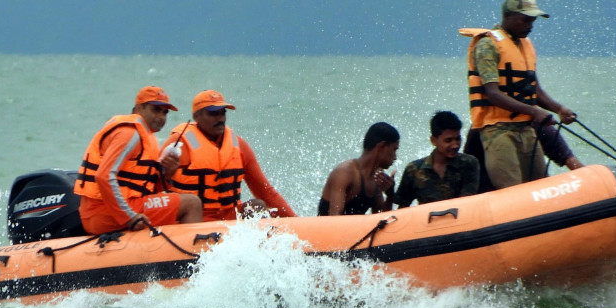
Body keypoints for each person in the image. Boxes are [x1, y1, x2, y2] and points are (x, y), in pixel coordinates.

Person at [465, 0, 579, 190]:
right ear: (508, 16)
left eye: (533, 20)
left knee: (540, 187)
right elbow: (492, 93)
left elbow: (534, 89)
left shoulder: (525, 45)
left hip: (526, 129)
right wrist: (535, 111)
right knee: (513, 189)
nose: (530, 26)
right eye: (525, 20)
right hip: (498, 130)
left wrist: (558, 109)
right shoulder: (487, 45)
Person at [74, 86, 203, 234]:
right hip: (104, 212)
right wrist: (129, 217)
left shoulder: (146, 137)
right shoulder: (130, 134)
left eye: (165, 112)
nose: (161, 117)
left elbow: (142, 188)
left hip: (105, 211)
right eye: (156, 110)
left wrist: (167, 173)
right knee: (192, 203)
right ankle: (197, 254)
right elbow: (103, 176)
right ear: (139, 108)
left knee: (178, 205)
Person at [164, 89, 296, 221]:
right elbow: (153, 185)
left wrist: (296, 222)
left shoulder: (238, 145)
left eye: (223, 113)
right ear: (196, 116)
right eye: (213, 113)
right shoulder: (179, 144)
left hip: (231, 219)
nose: (220, 118)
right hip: (195, 219)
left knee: (258, 205)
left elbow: (266, 194)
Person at [393, 110, 480, 207]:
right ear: (433, 141)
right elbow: (402, 208)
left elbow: (468, 201)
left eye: (458, 139)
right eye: (448, 140)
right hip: (426, 220)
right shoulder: (413, 170)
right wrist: (389, 191)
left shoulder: (469, 163)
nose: (455, 145)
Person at [318, 122, 400, 215]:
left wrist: (390, 194)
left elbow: (381, 218)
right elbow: (334, 218)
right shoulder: (345, 172)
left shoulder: (376, 178)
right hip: (329, 228)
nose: (395, 157)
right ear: (382, 146)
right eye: (394, 150)